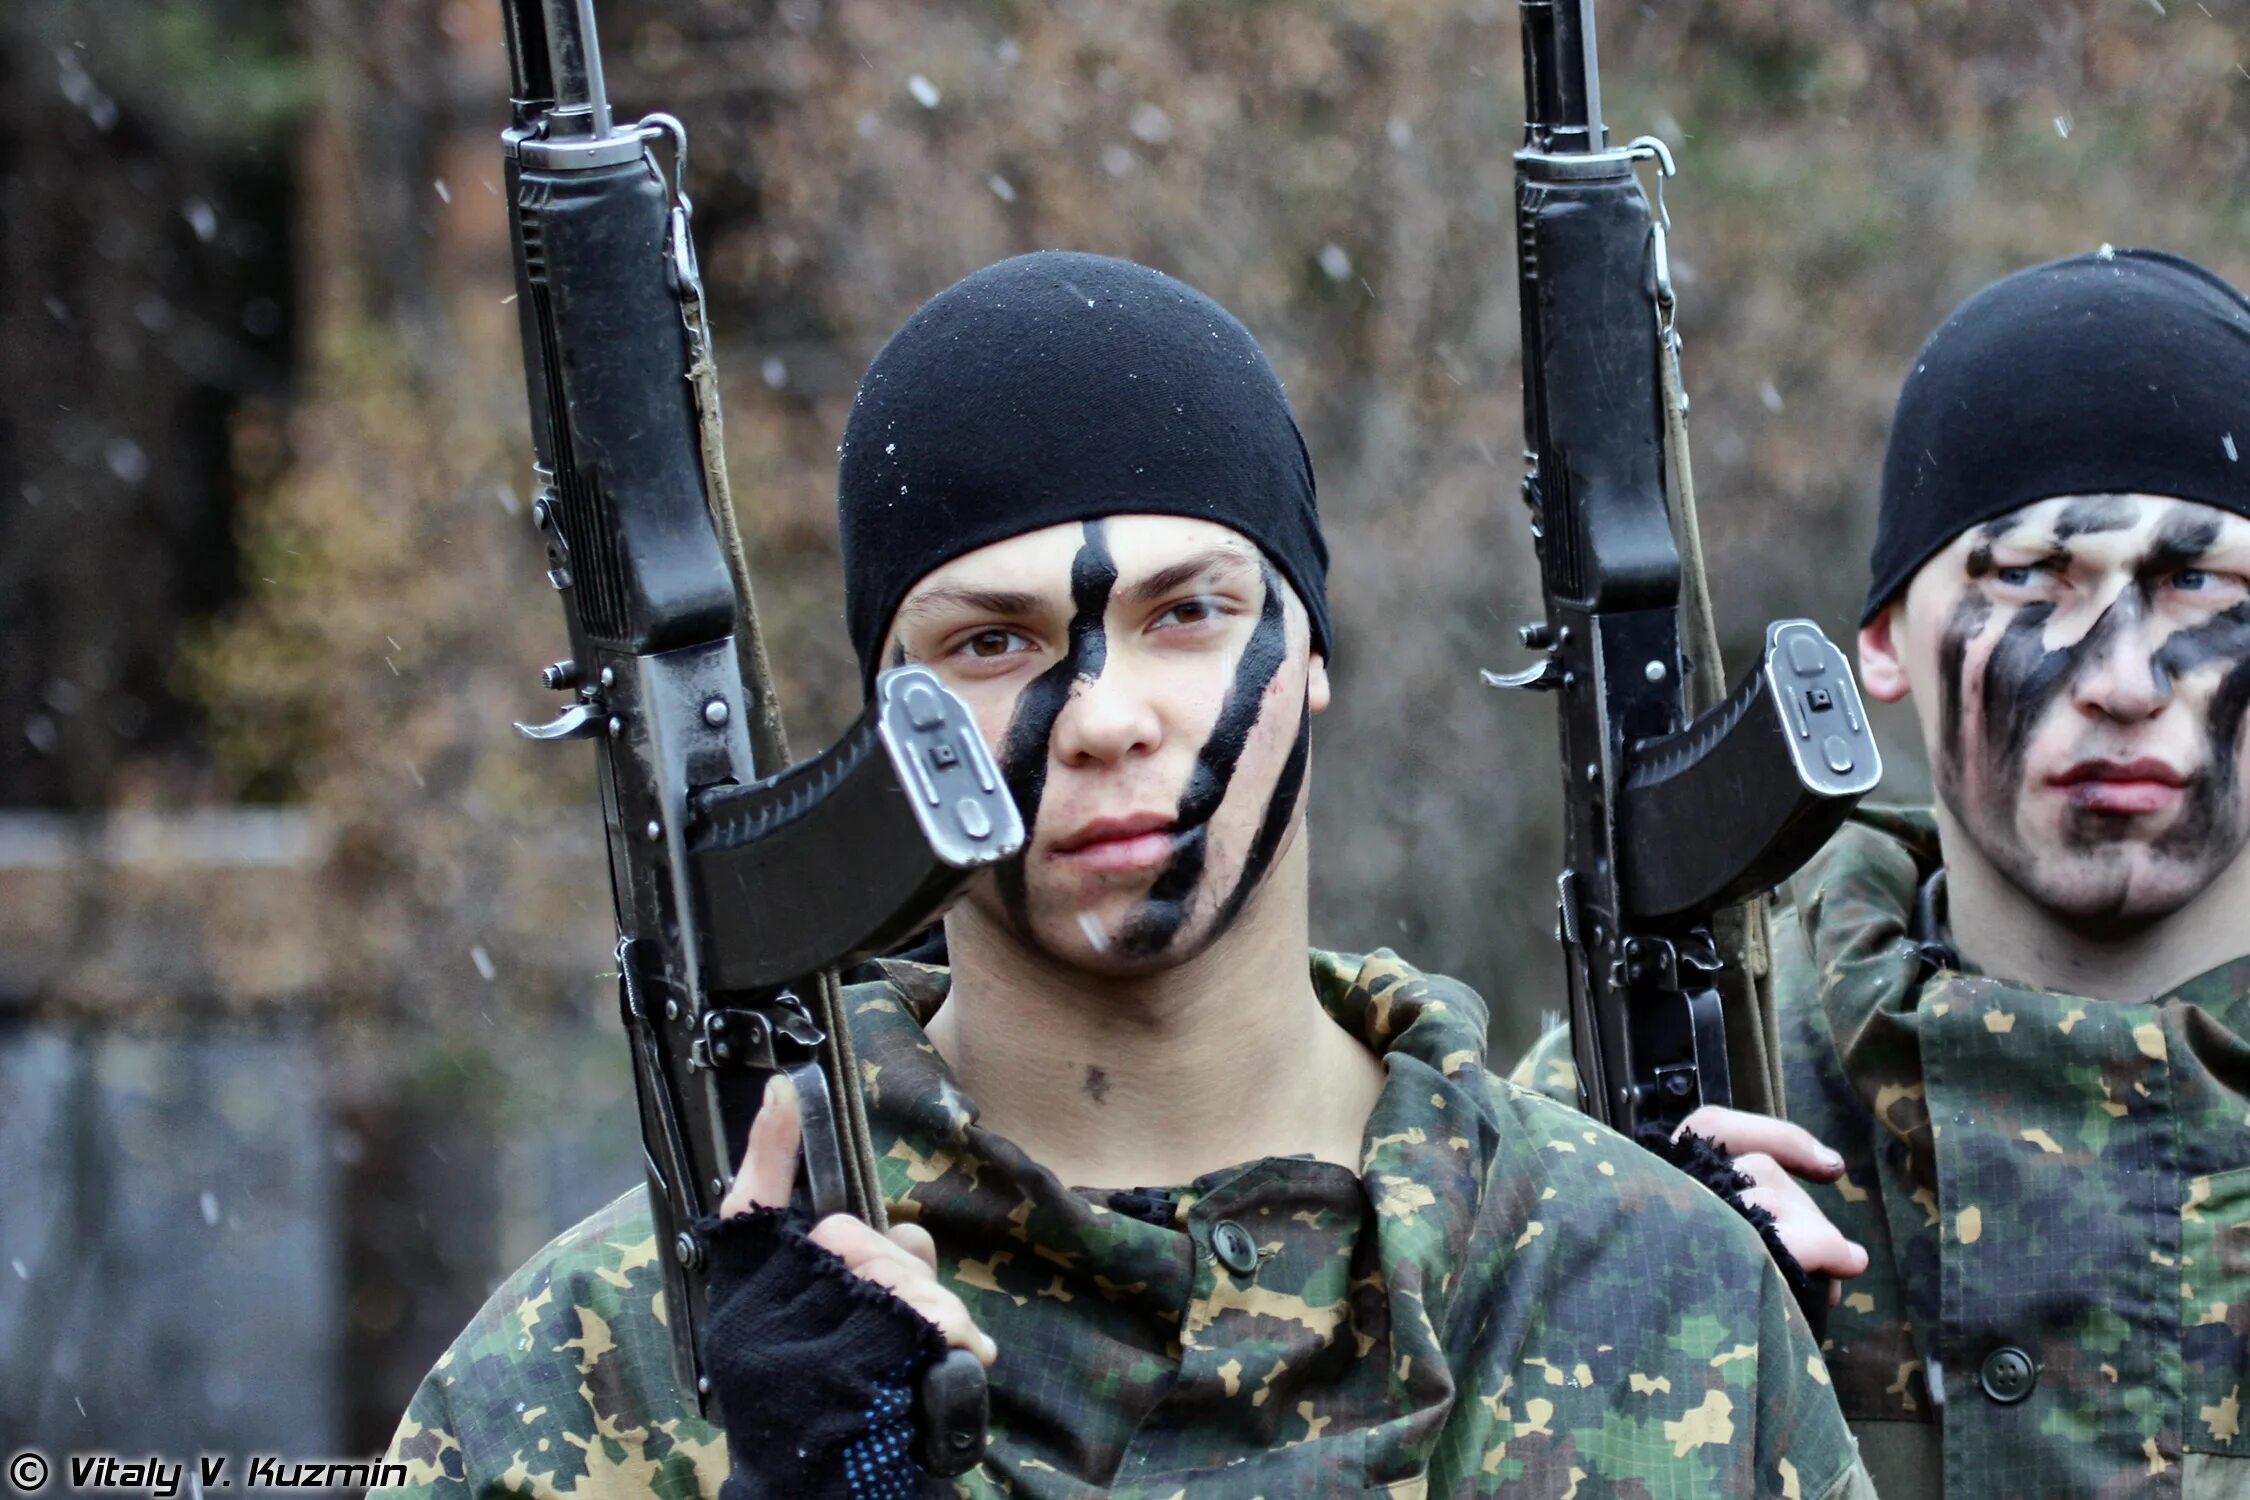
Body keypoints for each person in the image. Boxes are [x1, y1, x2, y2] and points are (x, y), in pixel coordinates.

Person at [376, 251, 1867, 1499]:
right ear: (882, 732)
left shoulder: (1655, 1286)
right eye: (990, 643)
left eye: (1189, 611)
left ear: (1312, 656)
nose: (1103, 717)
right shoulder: (620, 1354)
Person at [1513, 246, 2250, 1499]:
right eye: (2028, 579)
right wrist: (1656, 1361)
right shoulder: (1632, 1115)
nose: (2125, 681)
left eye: (2197, 584)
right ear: (1882, 641)